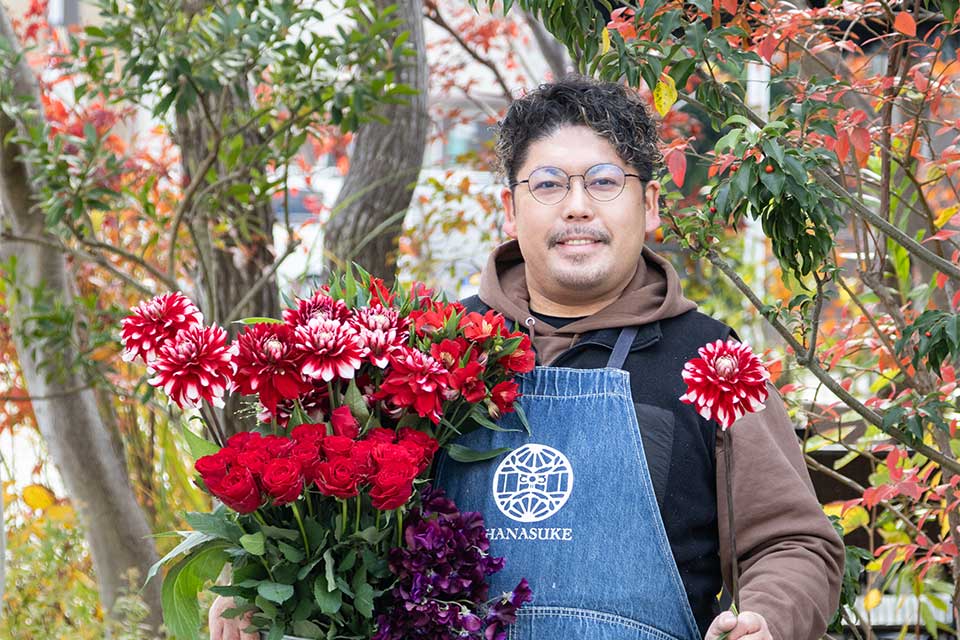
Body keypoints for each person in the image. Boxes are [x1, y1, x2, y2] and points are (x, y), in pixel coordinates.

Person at [210, 75, 844, 640]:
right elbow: (319, 498)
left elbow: (792, 542)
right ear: (511, 210)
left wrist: (769, 618)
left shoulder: (710, 361)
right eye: (548, 184)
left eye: (604, 182)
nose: (576, 206)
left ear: (649, 206)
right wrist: (252, 584)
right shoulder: (424, 349)